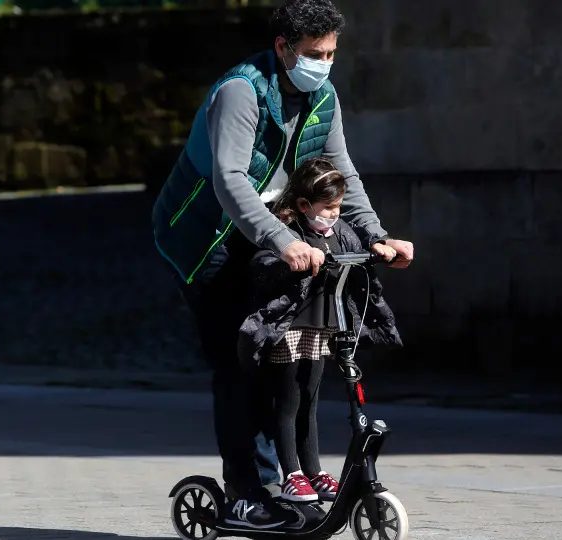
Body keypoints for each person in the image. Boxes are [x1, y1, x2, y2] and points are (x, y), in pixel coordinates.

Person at [151, 0, 414, 529]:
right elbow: (229, 178)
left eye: (332, 53)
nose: (324, 63)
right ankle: (247, 491)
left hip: (270, 235)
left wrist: (376, 235)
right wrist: (280, 237)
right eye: (314, 53)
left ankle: (287, 479)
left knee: (287, 363)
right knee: (238, 362)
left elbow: (341, 172)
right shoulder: (241, 92)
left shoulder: (323, 96)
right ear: (283, 48)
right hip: (209, 239)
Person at [239, 156, 397, 503]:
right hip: (292, 326)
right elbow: (262, 266)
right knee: (289, 401)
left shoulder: (340, 232)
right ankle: (292, 473)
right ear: (303, 204)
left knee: (310, 400)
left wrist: (379, 248)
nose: (333, 213)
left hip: (323, 325)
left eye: (338, 206)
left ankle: (314, 470)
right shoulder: (289, 231)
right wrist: (291, 259)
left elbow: (359, 247)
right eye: (327, 207)